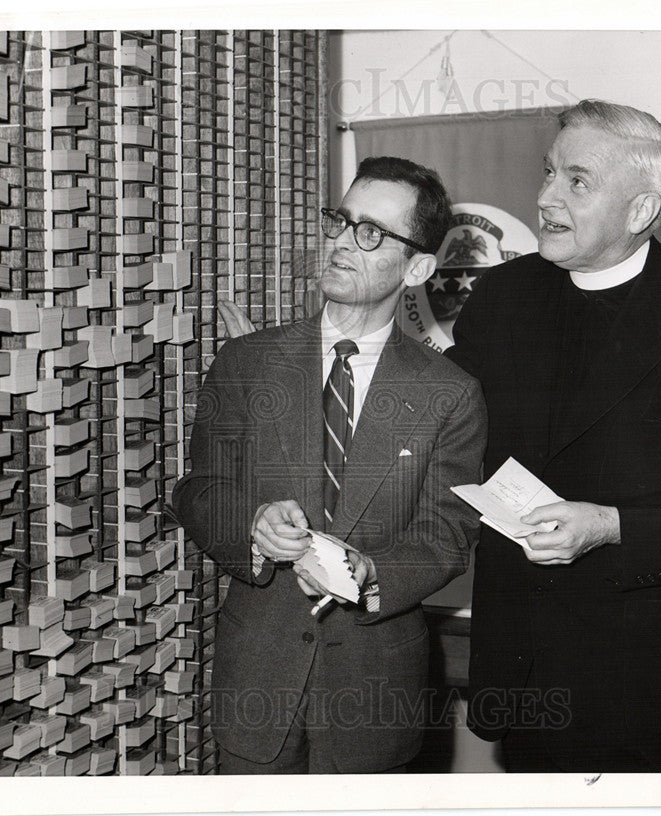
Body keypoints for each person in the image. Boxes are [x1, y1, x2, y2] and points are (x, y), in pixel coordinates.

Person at [446, 100, 661, 772]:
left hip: (639, 687)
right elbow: (443, 428)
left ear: (640, 211)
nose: (544, 197)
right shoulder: (499, 297)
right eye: (548, 172)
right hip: (517, 666)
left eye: (576, 181)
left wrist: (611, 525)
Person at [173, 157, 487, 774]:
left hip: (374, 692)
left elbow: (449, 535)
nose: (342, 241)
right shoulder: (247, 362)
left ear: (419, 267)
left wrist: (371, 574)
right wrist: (252, 526)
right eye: (341, 221)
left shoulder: (449, 394)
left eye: (371, 232)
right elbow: (197, 489)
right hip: (257, 683)